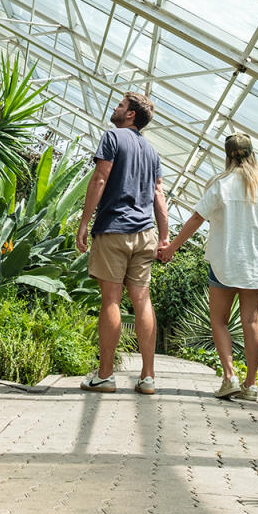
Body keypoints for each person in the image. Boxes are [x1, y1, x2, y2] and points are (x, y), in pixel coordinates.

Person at [160, 133, 258, 401]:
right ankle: (251, 385)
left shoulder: (221, 185)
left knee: (219, 321)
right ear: (251, 153)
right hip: (256, 263)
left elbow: (197, 217)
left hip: (225, 260)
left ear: (227, 154)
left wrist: (171, 248)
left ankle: (229, 377)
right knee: (251, 321)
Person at [76, 92, 168, 395]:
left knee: (111, 300)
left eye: (120, 105)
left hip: (114, 229)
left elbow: (100, 179)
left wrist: (84, 222)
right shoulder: (152, 152)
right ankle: (148, 377)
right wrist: (164, 235)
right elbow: (158, 194)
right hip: (145, 233)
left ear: (130, 115)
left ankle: (105, 376)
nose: (115, 108)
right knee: (142, 300)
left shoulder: (113, 137)